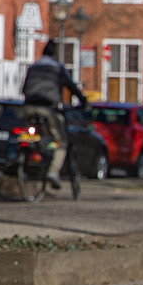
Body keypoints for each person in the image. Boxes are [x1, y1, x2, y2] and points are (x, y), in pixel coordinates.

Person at [21, 39, 88, 188]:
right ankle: (53, 172)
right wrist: (83, 101)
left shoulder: (33, 67)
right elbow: (72, 87)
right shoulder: (57, 68)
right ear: (55, 54)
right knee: (61, 141)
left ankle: (30, 153)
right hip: (47, 108)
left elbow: (24, 88)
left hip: (28, 107)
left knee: (32, 134)